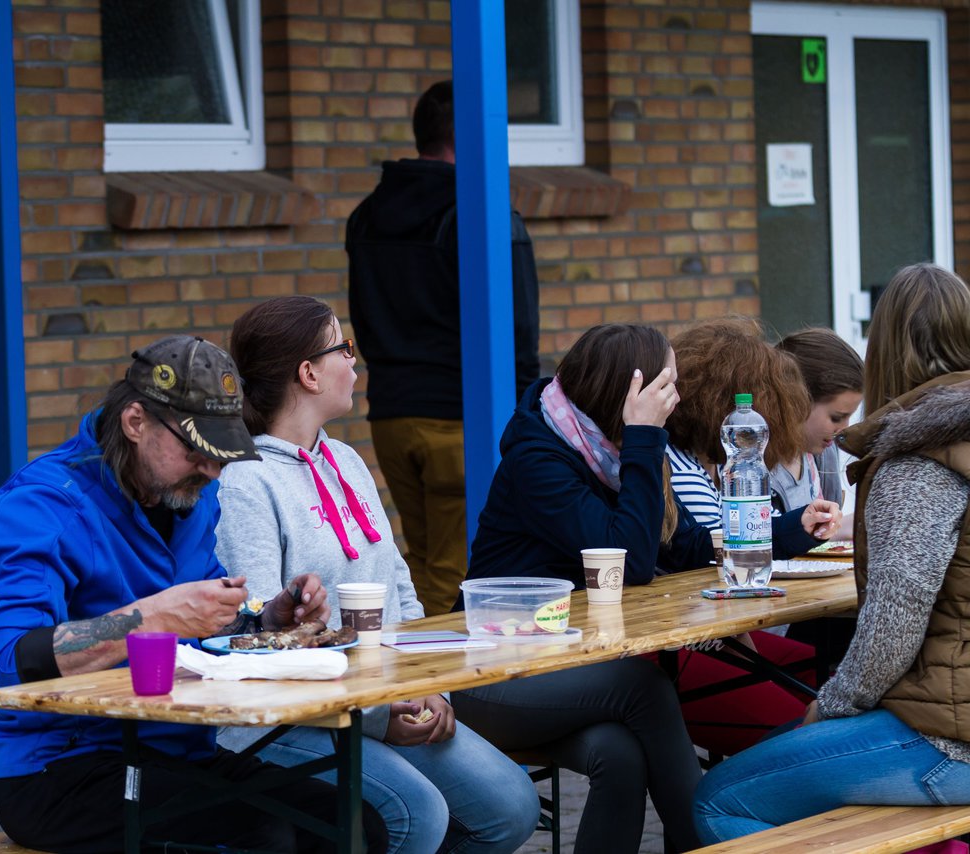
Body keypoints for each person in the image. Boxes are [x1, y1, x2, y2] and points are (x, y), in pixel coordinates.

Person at [0, 336, 388, 854]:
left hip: (180, 746)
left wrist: (267, 622)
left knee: (353, 824)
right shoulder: (37, 507)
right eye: (197, 451)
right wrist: (149, 618)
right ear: (135, 423)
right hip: (63, 769)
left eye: (221, 455)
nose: (213, 472)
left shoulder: (193, 494)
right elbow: (16, 658)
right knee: (267, 837)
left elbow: (208, 629)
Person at [215, 296, 539, 854]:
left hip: (386, 700)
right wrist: (375, 717)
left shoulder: (346, 459)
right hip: (286, 723)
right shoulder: (245, 481)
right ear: (308, 373)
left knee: (512, 806)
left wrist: (425, 688)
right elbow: (259, 640)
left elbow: (400, 588)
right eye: (343, 347)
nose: (355, 362)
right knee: (419, 814)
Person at [694, 262, 970, 843]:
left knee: (719, 797)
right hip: (950, 720)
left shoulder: (920, 460)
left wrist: (832, 707)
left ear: (885, 351)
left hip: (952, 741)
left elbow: (895, 621)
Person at [454, 323, 709, 854]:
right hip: (489, 670)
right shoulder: (541, 460)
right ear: (628, 395)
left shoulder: (611, 456)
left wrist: (800, 529)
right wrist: (644, 439)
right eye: (665, 386)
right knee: (644, 687)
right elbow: (630, 563)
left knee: (619, 753)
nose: (675, 399)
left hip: (556, 662)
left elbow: (684, 545)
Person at [346, 79, 541, 616]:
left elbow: (363, 313)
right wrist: (526, 422)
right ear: (474, 136)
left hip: (391, 416)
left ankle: (428, 690)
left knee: (425, 561)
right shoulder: (485, 215)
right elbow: (518, 333)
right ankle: (442, 695)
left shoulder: (366, 214)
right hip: (464, 425)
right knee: (460, 576)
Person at [664, 318, 843, 758]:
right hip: (687, 642)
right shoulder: (686, 473)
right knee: (814, 728)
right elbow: (722, 558)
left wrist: (793, 528)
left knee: (828, 679)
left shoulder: (699, 465)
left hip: (704, 636)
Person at [666, 317, 843, 554]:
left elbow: (764, 524)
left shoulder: (721, 463)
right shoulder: (683, 470)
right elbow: (723, 548)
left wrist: (804, 522)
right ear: (721, 404)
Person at [775, 327, 864, 522]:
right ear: (796, 400)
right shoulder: (754, 465)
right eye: (836, 417)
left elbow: (826, 532)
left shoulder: (823, 452)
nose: (844, 428)